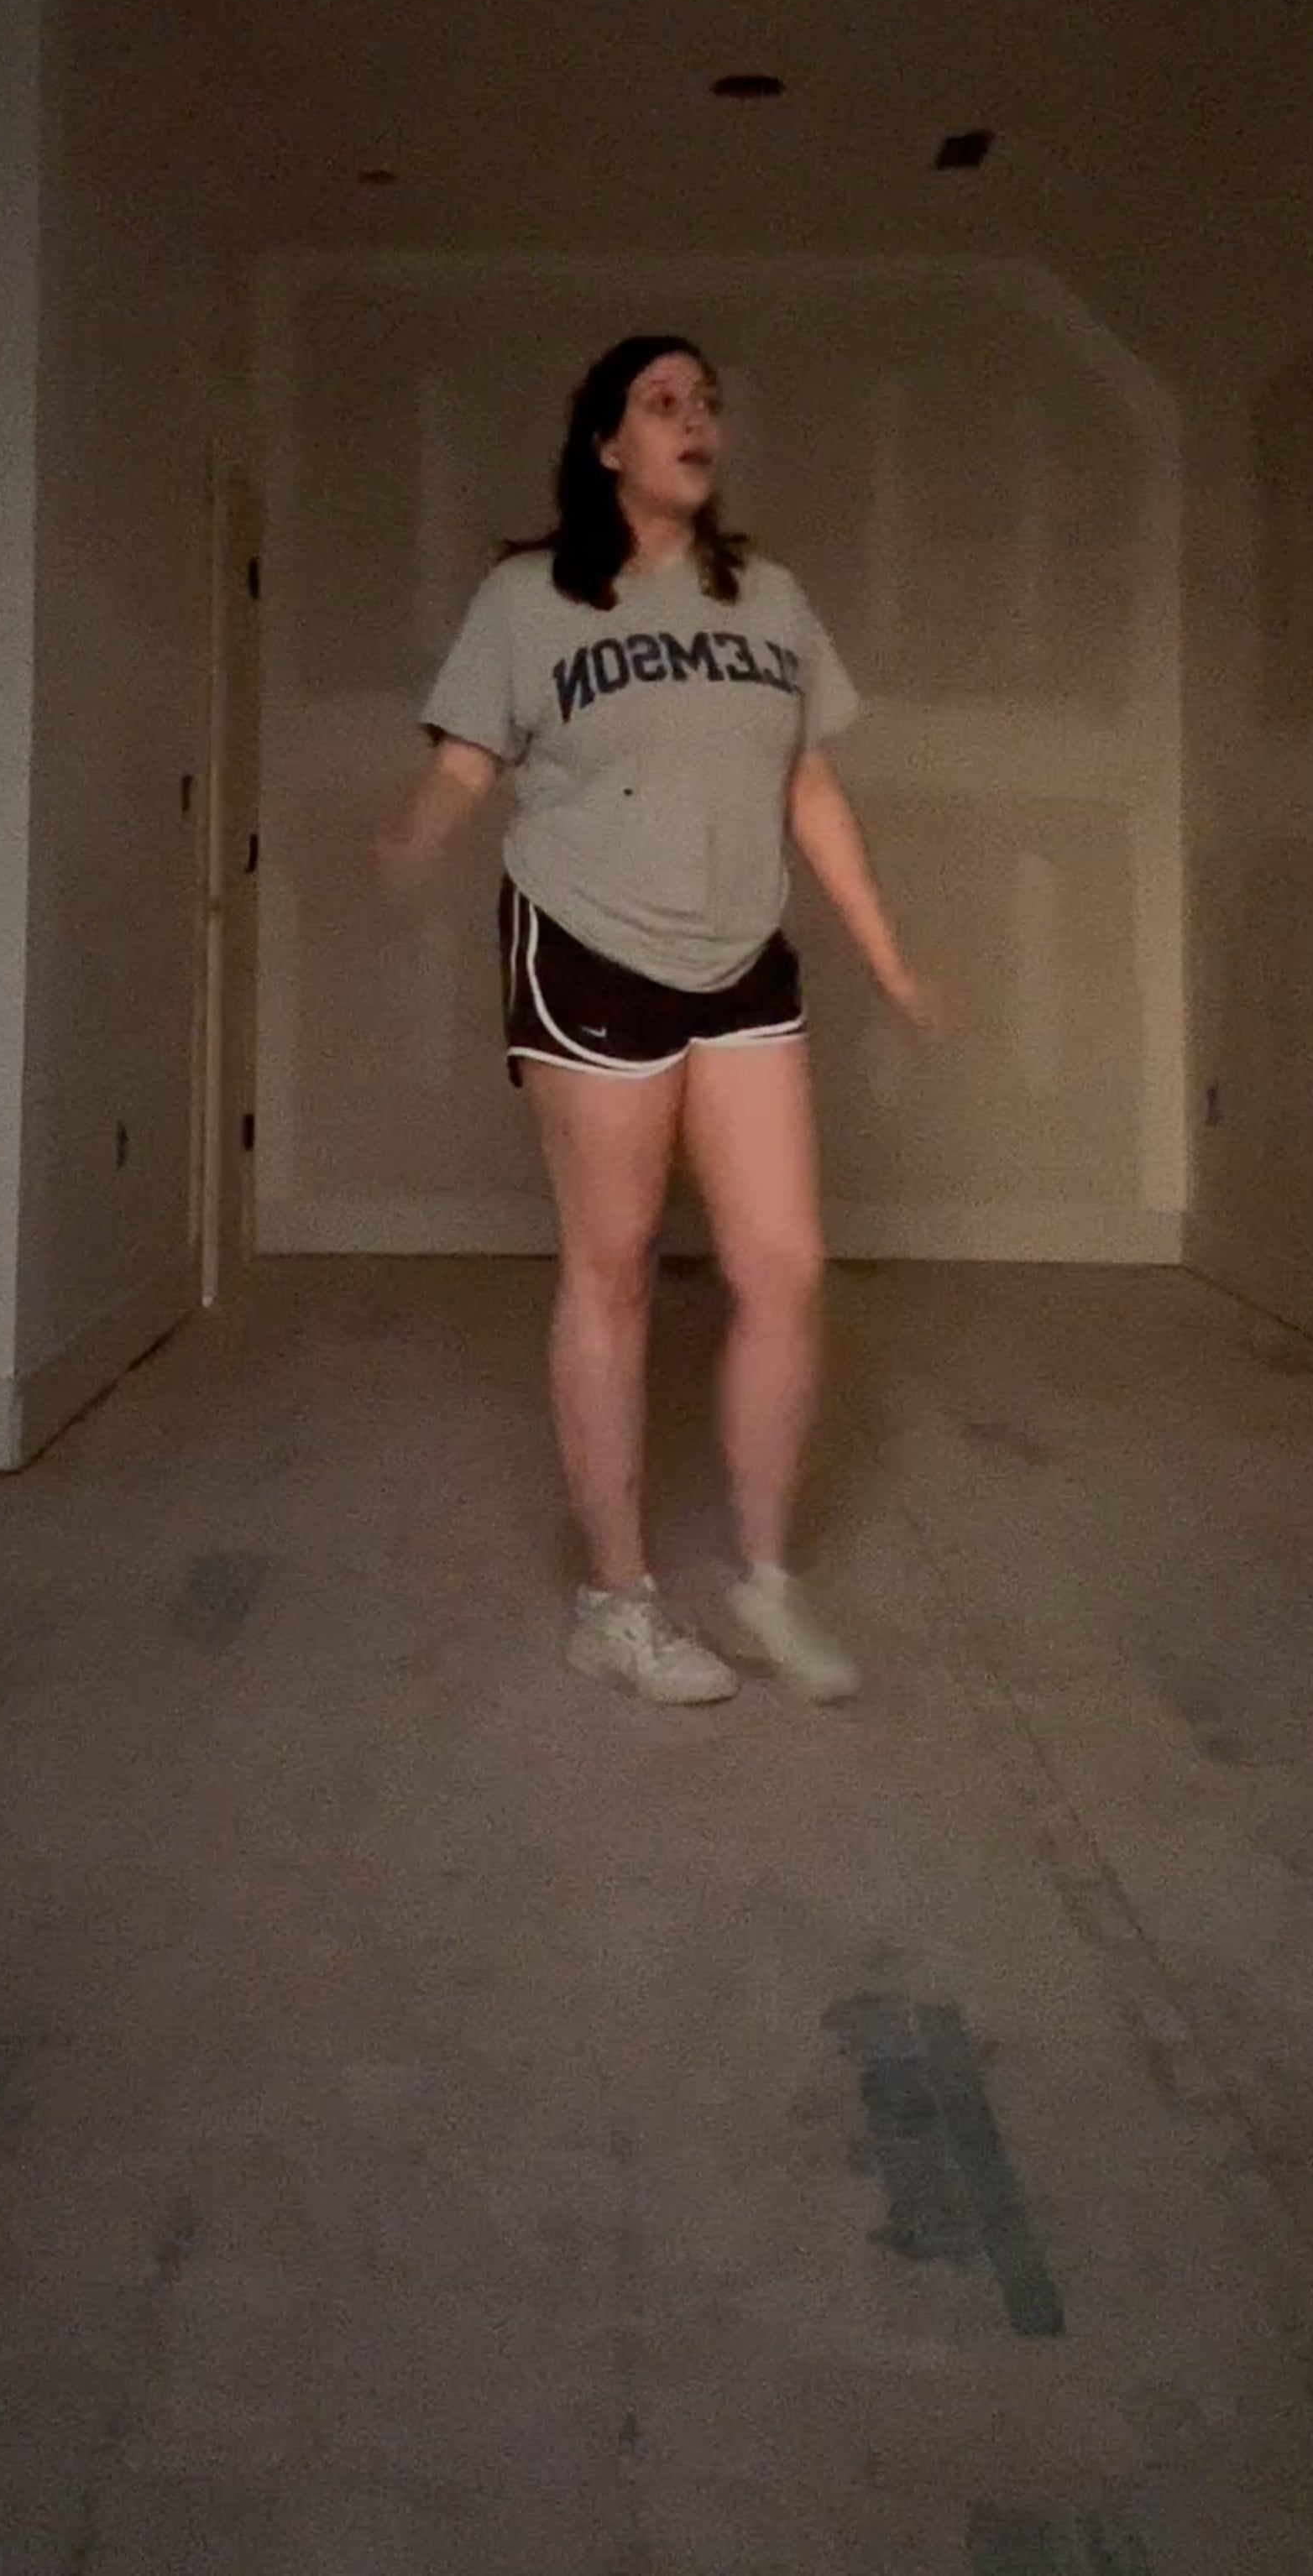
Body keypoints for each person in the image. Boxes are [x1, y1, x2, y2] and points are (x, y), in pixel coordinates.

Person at [376, 334, 947, 1707]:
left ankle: (765, 1578)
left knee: (786, 1264)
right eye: (663, 401)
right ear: (608, 444)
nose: (696, 420)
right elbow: (467, 761)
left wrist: (889, 956)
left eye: (708, 402)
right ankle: (616, 1602)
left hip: (741, 953)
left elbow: (809, 787)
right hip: (587, 946)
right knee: (614, 1265)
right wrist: (410, 839)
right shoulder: (530, 597)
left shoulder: (771, 598)